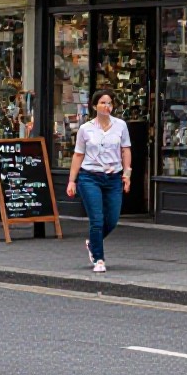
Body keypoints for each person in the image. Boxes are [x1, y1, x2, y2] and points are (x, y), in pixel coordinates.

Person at [65, 89, 131, 273]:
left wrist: (127, 174)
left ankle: (92, 242)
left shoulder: (121, 126)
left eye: (109, 103)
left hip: (113, 177)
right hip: (90, 177)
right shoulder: (86, 129)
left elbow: (126, 150)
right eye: (102, 103)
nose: (106, 106)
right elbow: (78, 155)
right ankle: (99, 259)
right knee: (97, 219)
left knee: (112, 218)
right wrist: (72, 181)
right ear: (94, 106)